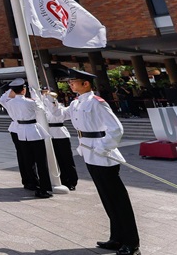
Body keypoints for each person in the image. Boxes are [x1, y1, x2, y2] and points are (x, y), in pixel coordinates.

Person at [49, 66, 140, 255]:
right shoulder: (76, 103)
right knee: (107, 198)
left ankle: (131, 243)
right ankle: (117, 238)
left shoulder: (97, 102)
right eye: (70, 82)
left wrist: (102, 147)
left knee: (118, 200)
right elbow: (58, 116)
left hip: (102, 155)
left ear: (86, 83)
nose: (71, 85)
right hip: (89, 153)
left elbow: (116, 129)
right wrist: (51, 101)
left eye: (73, 82)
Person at [0, 79, 52, 198]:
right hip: (33, 131)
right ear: (24, 90)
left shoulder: (9, 102)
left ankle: (33, 184)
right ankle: (44, 187)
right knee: (41, 161)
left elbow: (2, 99)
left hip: (21, 133)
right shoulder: (30, 102)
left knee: (28, 161)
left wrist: (10, 90)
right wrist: (35, 96)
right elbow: (42, 109)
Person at [41, 87, 78, 190]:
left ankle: (71, 181)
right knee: (53, 159)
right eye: (43, 93)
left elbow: (56, 112)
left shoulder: (58, 106)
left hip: (60, 133)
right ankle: (57, 179)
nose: (45, 95)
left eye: (47, 93)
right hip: (48, 133)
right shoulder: (42, 107)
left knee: (66, 158)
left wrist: (51, 101)